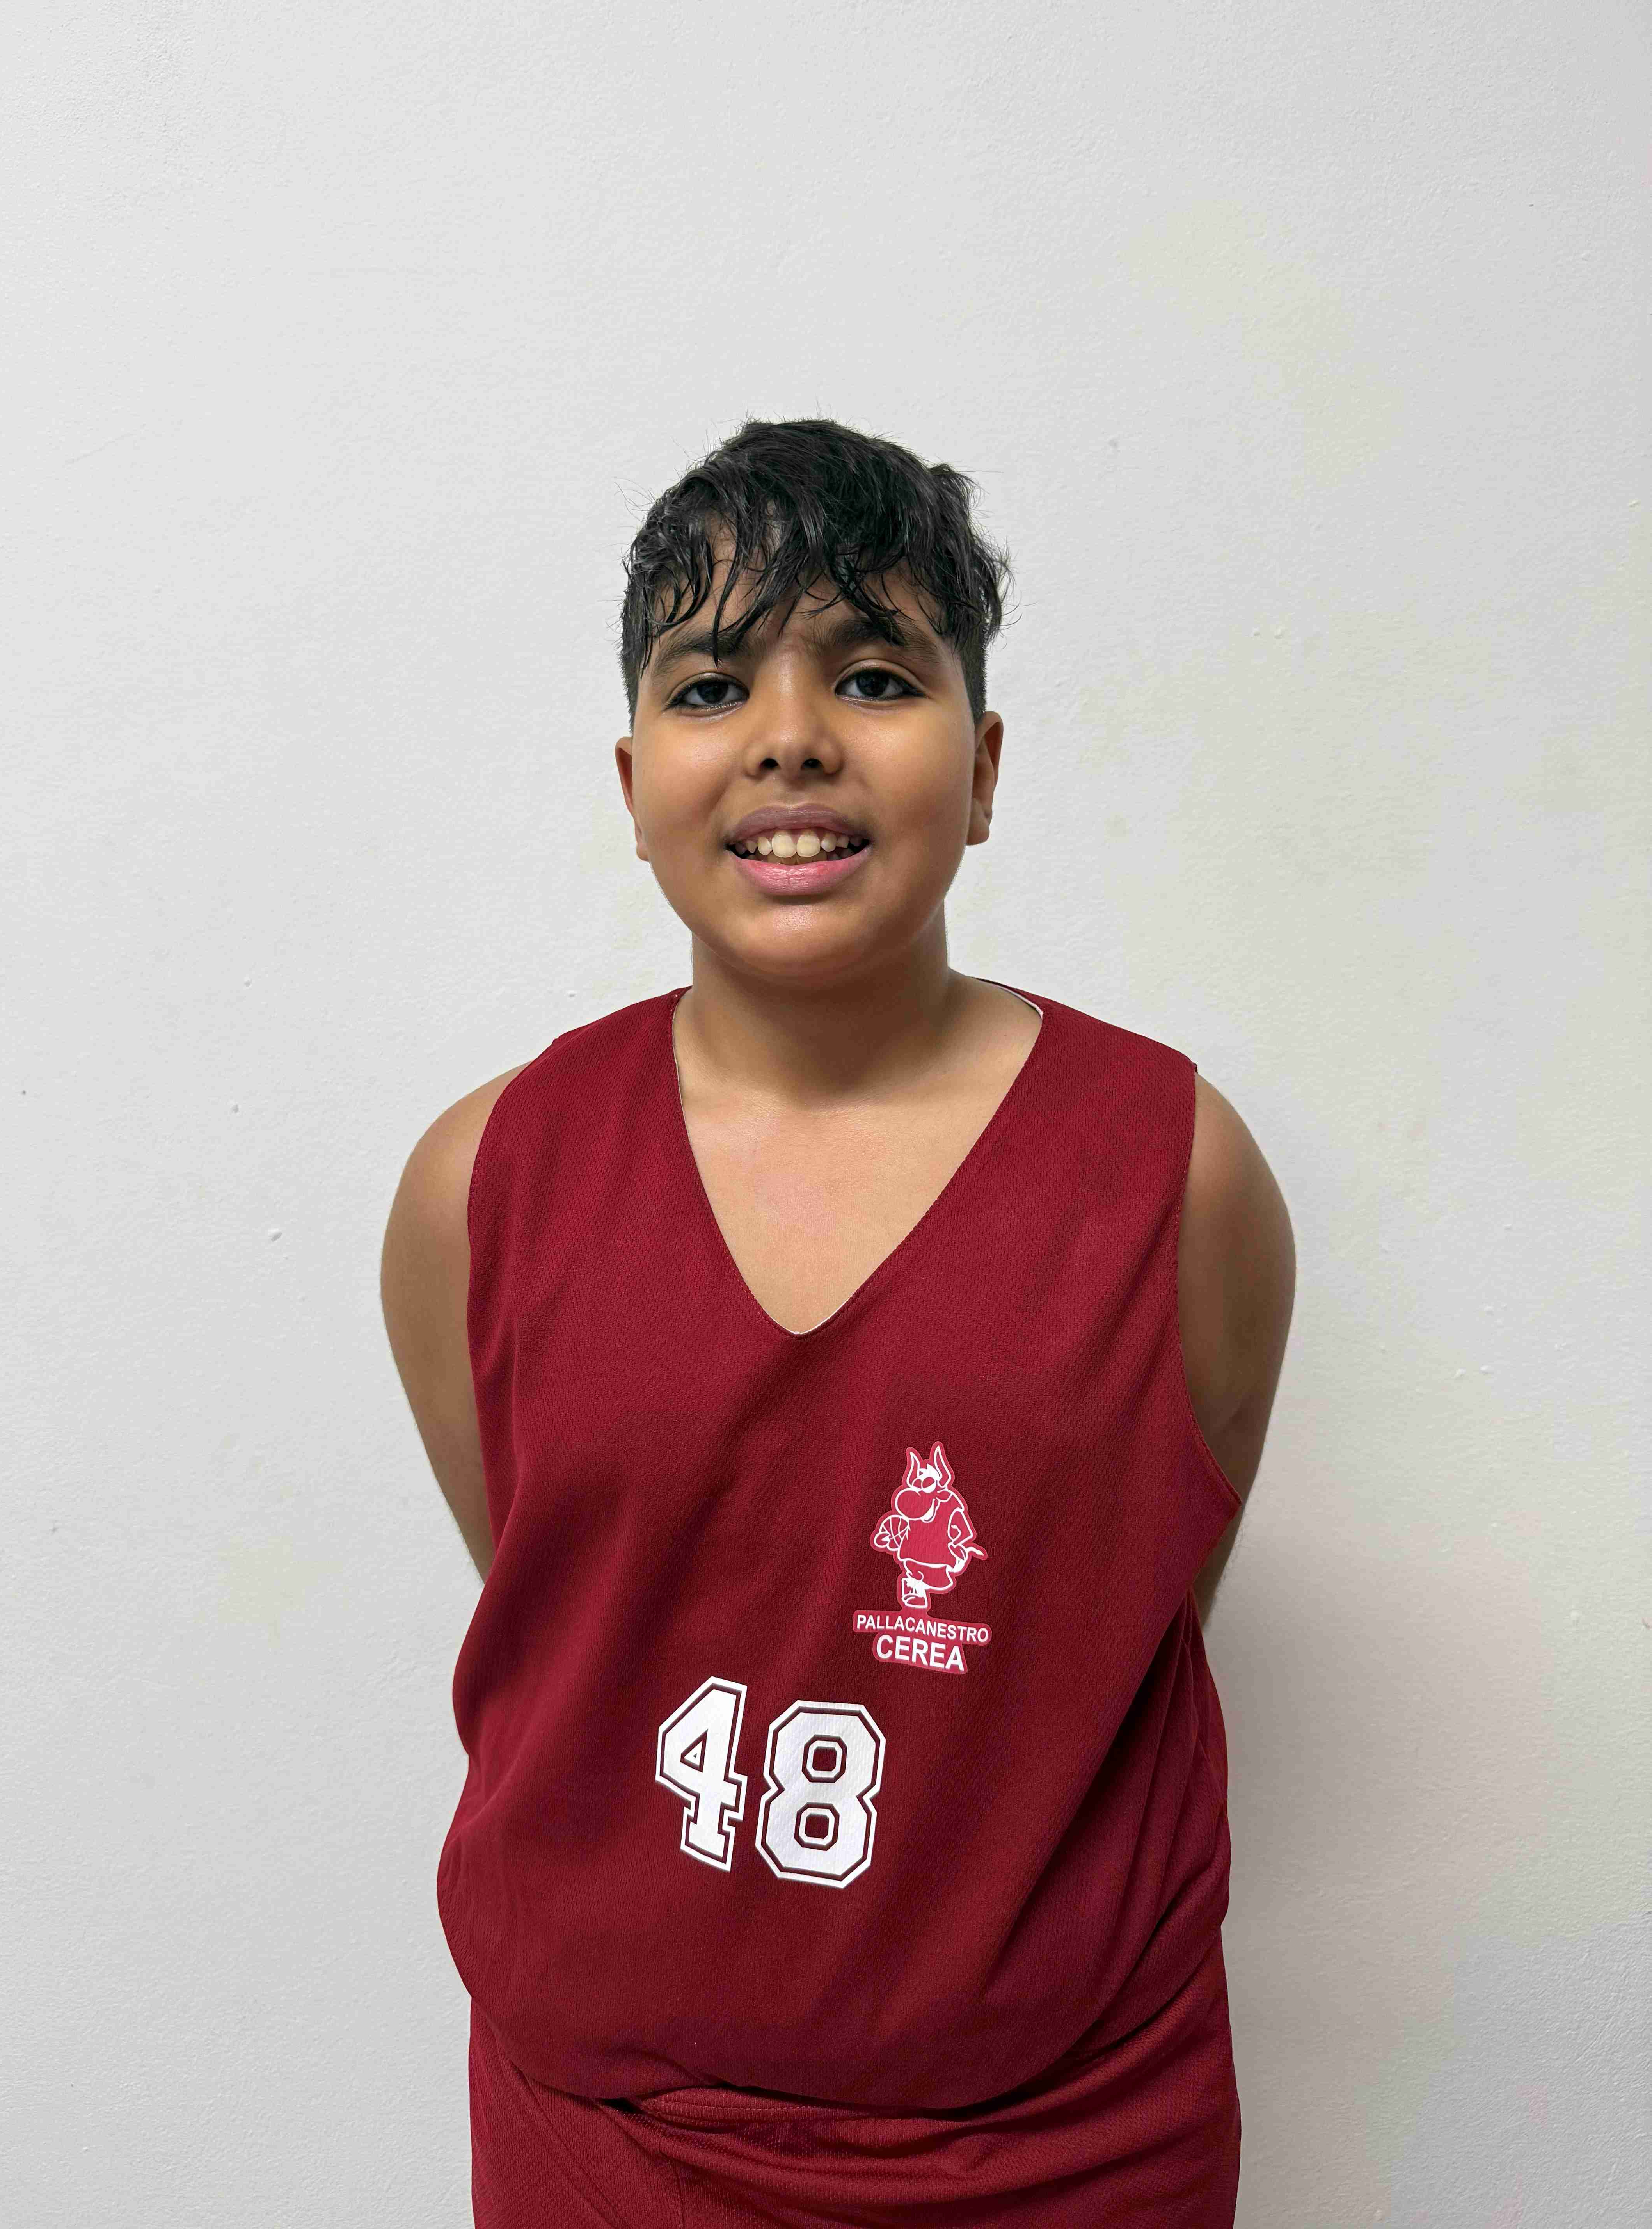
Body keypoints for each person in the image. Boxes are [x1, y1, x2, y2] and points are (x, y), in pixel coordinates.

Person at [380, 417, 1295, 2225]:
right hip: (609, 2139)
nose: (792, 735)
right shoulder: (479, 1185)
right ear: (633, 775)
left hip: (1069, 2141)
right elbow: (576, 1602)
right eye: (713, 684)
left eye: (875, 676)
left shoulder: (1174, 1174)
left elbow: (1110, 1624)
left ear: (985, 764)